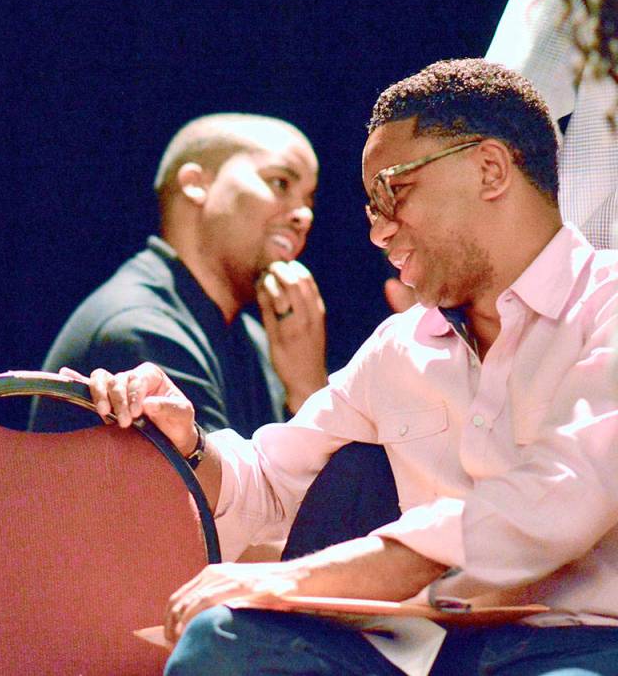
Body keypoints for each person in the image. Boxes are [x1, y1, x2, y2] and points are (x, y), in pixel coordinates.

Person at [77, 58, 618, 674]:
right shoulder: (401, 347)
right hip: (426, 653)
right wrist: (188, 441)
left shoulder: (609, 307)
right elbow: (271, 479)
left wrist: (292, 581)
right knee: (224, 642)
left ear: (489, 170)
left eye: (393, 191)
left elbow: (553, 497)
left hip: (580, 647)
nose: (379, 232)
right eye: (370, 207)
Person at [30, 113, 327, 437]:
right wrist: (309, 392)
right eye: (281, 183)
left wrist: (306, 387)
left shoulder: (254, 340)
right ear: (196, 184)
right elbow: (227, 488)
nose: (304, 215)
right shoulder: (140, 329)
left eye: (309, 200)